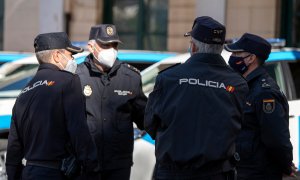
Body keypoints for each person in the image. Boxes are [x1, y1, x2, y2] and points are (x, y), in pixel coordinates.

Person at [144, 16, 249, 180]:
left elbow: (150, 124)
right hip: (217, 173)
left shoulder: (169, 78)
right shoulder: (238, 84)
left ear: (193, 46)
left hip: (173, 172)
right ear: (221, 48)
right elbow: (243, 130)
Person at [5, 32, 100, 180]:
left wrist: (16, 175)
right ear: (56, 55)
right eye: (70, 55)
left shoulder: (24, 92)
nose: (73, 60)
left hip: (30, 172)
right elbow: (78, 130)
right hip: (56, 173)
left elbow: (14, 147)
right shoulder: (68, 81)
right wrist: (92, 169)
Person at [76, 24, 147, 180]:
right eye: (105, 45)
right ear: (91, 47)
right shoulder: (76, 76)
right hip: (85, 163)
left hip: (118, 164)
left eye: (114, 45)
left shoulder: (131, 77)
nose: (111, 49)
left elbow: (145, 117)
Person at [225, 33, 296, 180]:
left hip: (259, 172)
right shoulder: (244, 86)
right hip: (241, 169)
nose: (233, 57)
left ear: (251, 58)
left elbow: (276, 138)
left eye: (237, 53)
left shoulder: (265, 92)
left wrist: (285, 165)